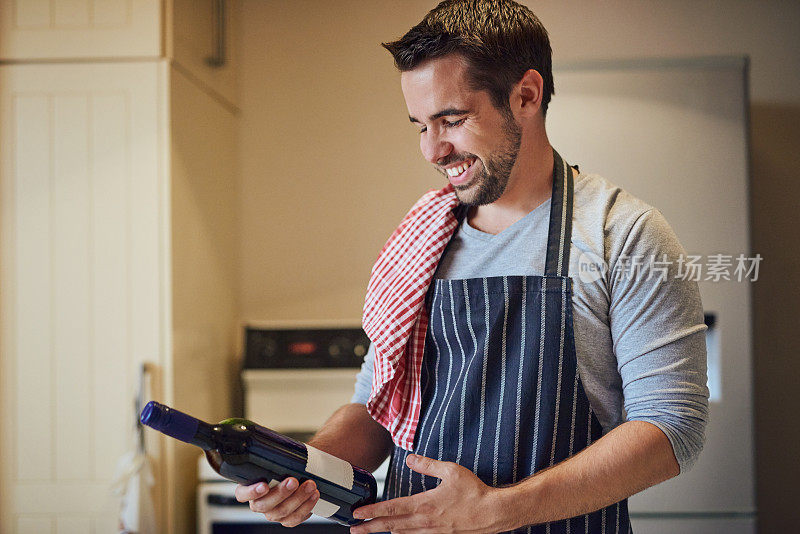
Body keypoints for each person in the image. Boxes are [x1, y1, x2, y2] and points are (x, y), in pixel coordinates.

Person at [235, 1, 709, 532]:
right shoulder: (420, 236)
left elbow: (672, 428)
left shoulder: (621, 233)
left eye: (452, 120)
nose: (432, 149)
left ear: (526, 95)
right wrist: (306, 471)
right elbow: (376, 407)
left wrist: (499, 509)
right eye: (420, 125)